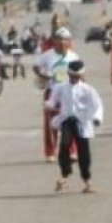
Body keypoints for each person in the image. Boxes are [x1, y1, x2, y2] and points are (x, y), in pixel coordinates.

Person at [46, 60, 103, 194]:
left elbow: (98, 105)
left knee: (84, 152)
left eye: (77, 76)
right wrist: (49, 104)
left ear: (81, 75)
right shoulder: (60, 87)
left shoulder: (88, 89)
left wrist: (96, 118)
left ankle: (87, 180)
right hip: (67, 120)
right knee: (64, 145)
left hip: (82, 122)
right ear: (68, 74)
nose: (74, 78)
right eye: (72, 75)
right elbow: (53, 100)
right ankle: (64, 175)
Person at [33, 27, 79, 162]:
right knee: (50, 124)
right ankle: (50, 152)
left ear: (69, 41)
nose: (62, 42)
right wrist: (42, 74)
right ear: (54, 41)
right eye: (59, 39)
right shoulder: (47, 55)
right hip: (52, 93)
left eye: (65, 40)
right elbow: (36, 66)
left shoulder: (73, 56)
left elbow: (80, 73)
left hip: (69, 93)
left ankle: (71, 151)